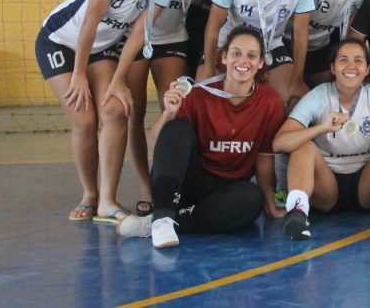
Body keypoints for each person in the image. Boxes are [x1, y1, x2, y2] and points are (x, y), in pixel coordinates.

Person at [84, 0, 223, 216]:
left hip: (172, 39)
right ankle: (147, 189)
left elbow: (211, 2)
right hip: (134, 38)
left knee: (175, 109)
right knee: (133, 113)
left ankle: (174, 185)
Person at [35, 0, 182, 223]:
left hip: (103, 48)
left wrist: (118, 80)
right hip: (60, 41)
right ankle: (89, 194)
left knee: (116, 109)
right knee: (84, 117)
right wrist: (78, 74)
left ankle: (107, 200)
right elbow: (90, 22)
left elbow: (139, 34)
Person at [117, 27, 285, 248]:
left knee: (252, 200)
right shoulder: (199, 94)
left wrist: (269, 201)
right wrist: (168, 113)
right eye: (236, 53)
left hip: (225, 191)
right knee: (177, 127)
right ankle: (164, 215)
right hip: (185, 183)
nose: (243, 60)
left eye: (252, 55)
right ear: (224, 57)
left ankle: (160, 222)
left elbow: (264, 157)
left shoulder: (269, 101)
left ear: (261, 62)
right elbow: (158, 143)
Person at [275, 39, 370, 238]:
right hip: (326, 185)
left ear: (367, 70)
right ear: (333, 68)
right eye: (343, 60)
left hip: (367, 184)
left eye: (358, 61)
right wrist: (321, 128)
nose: (351, 66)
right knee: (302, 146)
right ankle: (297, 212)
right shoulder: (317, 96)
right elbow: (280, 143)